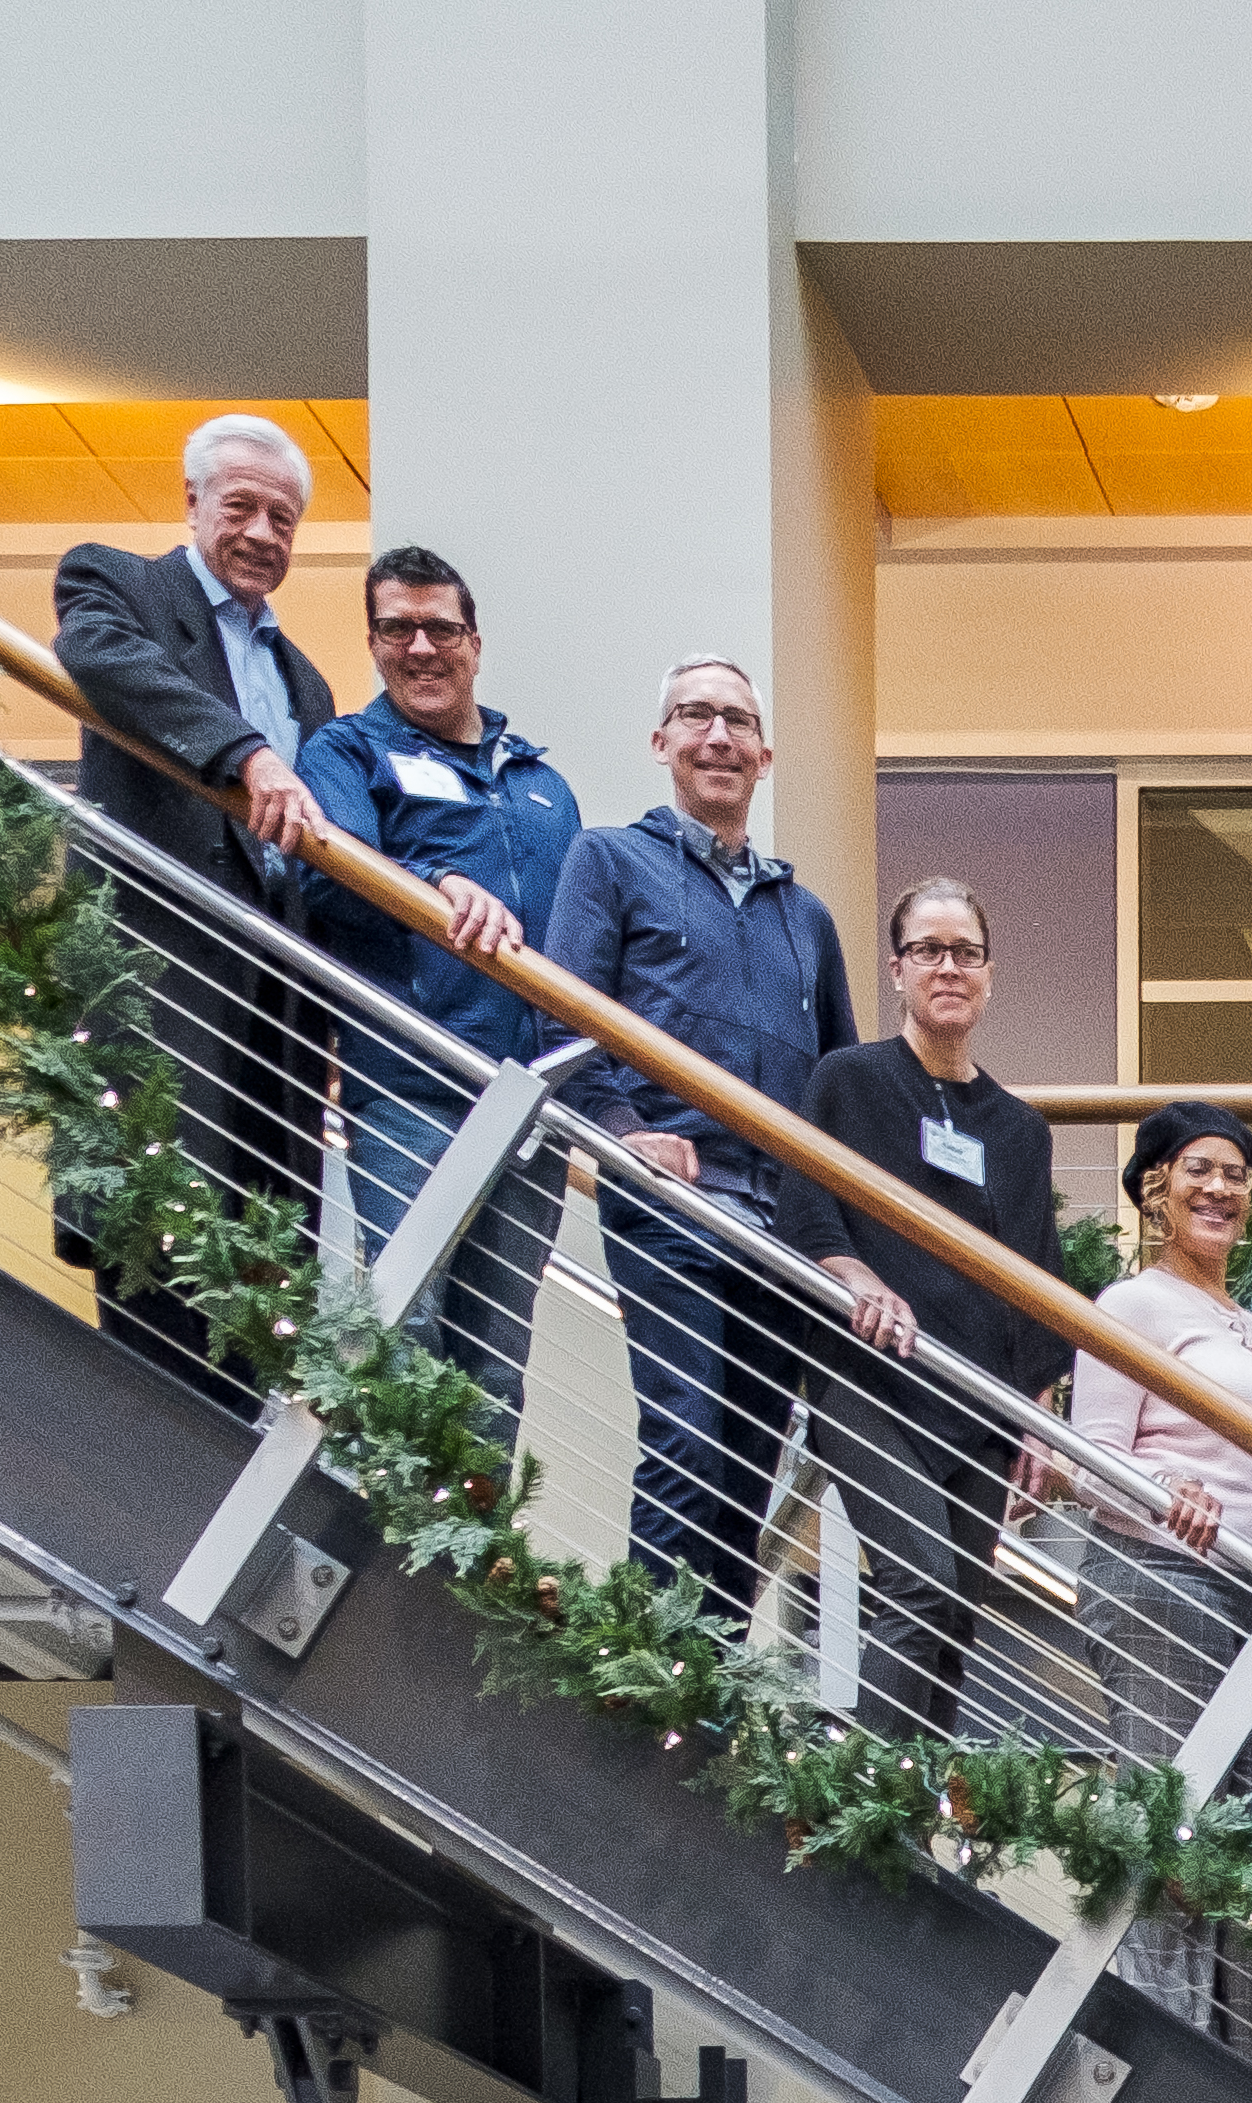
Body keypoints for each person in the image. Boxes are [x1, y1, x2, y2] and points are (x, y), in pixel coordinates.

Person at [537, 653, 882, 1604]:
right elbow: (563, 1021)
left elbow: (838, 1081)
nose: (718, 736)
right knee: (686, 1438)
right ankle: (659, 1702)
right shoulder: (609, 861)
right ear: (662, 744)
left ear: (765, 757)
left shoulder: (804, 915)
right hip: (671, 1199)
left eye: (737, 721)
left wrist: (842, 1237)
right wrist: (620, 1130)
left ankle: (712, 1702)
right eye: (696, 716)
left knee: (750, 1467)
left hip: (785, 1230)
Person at [47, 416, 339, 1392]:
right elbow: (102, 660)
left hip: (272, 1028)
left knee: (262, 1300)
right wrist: (245, 753)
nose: (263, 533)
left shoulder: (305, 678)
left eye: (284, 518)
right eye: (243, 506)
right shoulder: (118, 585)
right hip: (163, 1004)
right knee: (160, 1321)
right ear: (191, 502)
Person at [289, 547, 574, 1402]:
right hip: (411, 1093)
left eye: (440, 628)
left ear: (474, 643)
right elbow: (329, 872)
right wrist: (437, 885)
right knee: (407, 1336)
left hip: (527, 1109)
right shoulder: (345, 752)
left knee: (495, 1371)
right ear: (373, 643)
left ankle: (474, 1542)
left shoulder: (543, 784)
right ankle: (396, 1537)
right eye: (397, 628)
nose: (421, 647)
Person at [795, 879, 1067, 1745]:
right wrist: (853, 1275)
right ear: (898, 969)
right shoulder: (850, 1080)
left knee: (954, 1615)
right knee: (917, 1587)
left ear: (989, 974)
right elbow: (808, 1208)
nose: (948, 967)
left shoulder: (1020, 1128)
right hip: (870, 1382)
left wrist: (1038, 1413)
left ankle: (903, 1837)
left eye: (966, 952)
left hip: (981, 1404)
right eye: (928, 950)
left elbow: (1035, 1278)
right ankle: (863, 1803)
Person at [1073, 1103, 1252, 2066]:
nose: (1219, 1189)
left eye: (1237, 1174)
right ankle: (1169, 2068)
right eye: (1196, 1170)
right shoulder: (1132, 1307)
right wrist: (1165, 1488)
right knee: (1174, 1835)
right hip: (1165, 1581)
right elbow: (1087, 1460)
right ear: (1154, 1186)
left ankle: (1250, 2084)